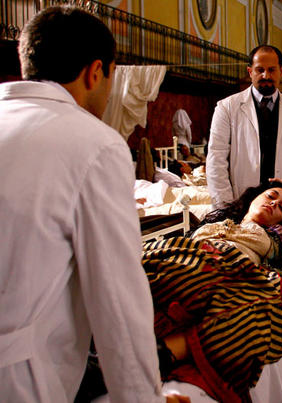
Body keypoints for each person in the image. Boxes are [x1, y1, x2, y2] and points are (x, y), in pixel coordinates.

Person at [0, 6, 187, 403]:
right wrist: (143, 397)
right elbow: (117, 296)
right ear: (95, 72)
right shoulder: (93, 142)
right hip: (18, 377)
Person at [141, 181, 282, 400]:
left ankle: (167, 351)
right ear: (254, 197)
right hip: (184, 260)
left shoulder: (278, 241)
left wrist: (257, 279)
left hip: (224, 272)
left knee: (262, 314)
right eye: (271, 196)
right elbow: (181, 244)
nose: (274, 203)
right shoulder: (214, 224)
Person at [206, 45, 282, 208]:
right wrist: (225, 207)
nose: (266, 75)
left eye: (272, 70)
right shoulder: (226, 108)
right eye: (260, 70)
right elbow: (216, 160)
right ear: (250, 72)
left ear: (281, 71)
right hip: (241, 202)